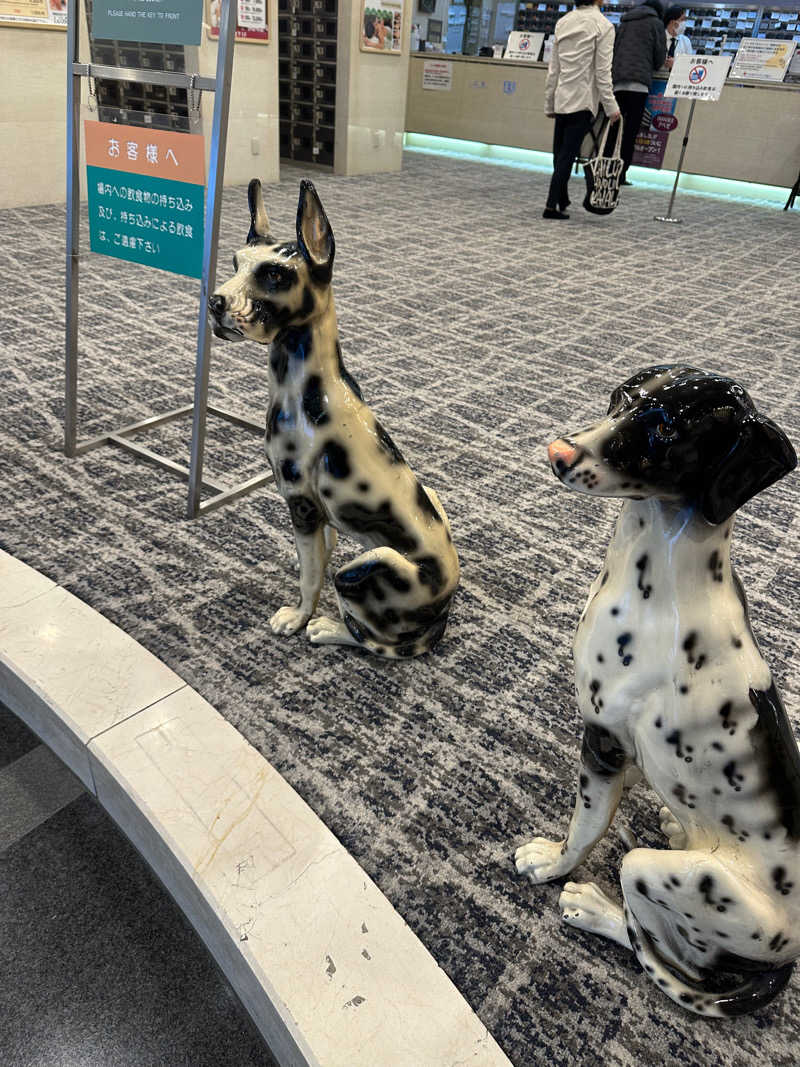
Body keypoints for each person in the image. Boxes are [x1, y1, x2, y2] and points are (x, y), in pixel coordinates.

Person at [543, 0, 621, 220]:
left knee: (560, 153)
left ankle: (562, 199)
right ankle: (551, 205)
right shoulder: (603, 25)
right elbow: (603, 73)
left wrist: (549, 102)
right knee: (567, 154)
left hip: (562, 97)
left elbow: (553, 69)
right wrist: (611, 106)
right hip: (583, 99)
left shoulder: (564, 21)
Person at [607, 0, 667, 186]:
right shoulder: (656, 24)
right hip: (639, 86)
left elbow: (614, 49)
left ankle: (604, 168)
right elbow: (659, 57)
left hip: (617, 84)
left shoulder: (625, 22)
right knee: (630, 132)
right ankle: (620, 174)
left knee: (613, 130)